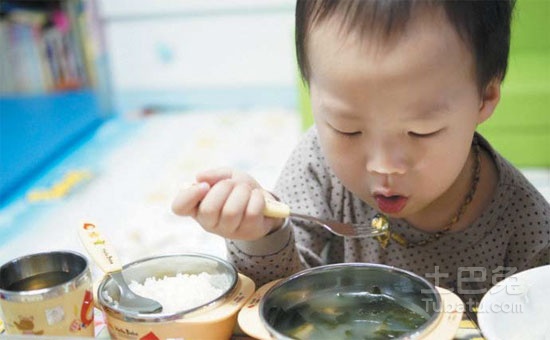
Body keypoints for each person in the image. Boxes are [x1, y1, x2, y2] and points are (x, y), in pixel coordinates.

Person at [172, 0, 549, 309]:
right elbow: (280, 301)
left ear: (484, 98)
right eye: (347, 129)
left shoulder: (528, 231)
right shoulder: (317, 166)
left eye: (421, 131)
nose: (383, 166)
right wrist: (260, 234)